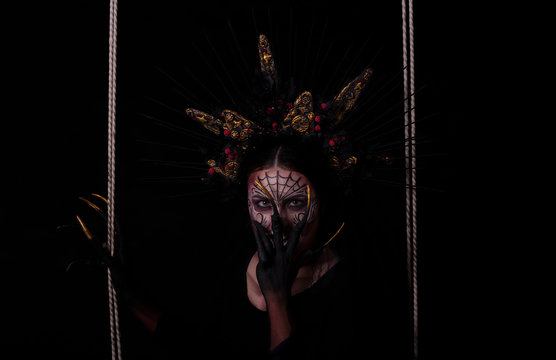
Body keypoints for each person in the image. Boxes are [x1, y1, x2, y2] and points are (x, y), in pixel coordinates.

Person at [71, 34, 408, 359]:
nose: (278, 223)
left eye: (295, 203)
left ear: (324, 200)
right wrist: (125, 292)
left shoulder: (352, 288)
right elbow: (192, 345)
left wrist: (278, 300)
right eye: (262, 203)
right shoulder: (230, 257)